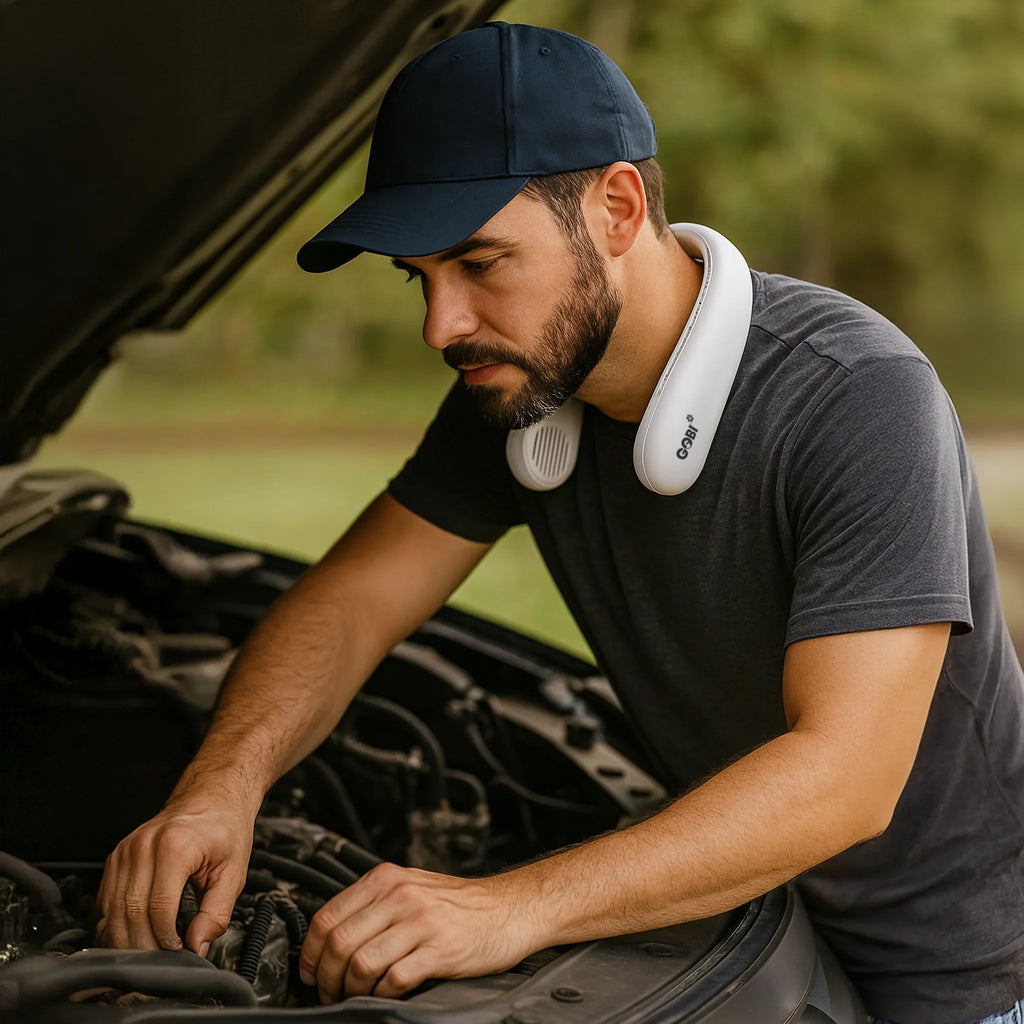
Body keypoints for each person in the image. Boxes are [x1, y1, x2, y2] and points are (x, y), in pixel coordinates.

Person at [97, 22, 1024, 1024]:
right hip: (747, 930)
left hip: (959, 981)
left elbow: (843, 779)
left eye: (481, 263)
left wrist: (506, 908)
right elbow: (353, 602)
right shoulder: (519, 389)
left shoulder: (855, 397)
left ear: (617, 206)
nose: (440, 326)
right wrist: (222, 787)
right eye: (420, 277)